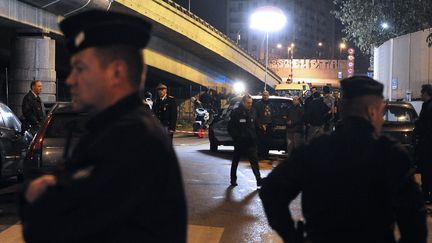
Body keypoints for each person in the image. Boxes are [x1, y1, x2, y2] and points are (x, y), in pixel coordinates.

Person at [18, 10, 187, 242]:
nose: (70, 79)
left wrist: (35, 195)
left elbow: (48, 230)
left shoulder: (130, 140)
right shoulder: (116, 127)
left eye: (81, 68)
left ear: (116, 72)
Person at [260, 76, 427, 243]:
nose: (382, 119)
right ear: (372, 112)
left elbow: (271, 190)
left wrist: (293, 237)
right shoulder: (391, 154)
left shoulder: (315, 150)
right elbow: (414, 222)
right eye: (382, 112)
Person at [228, 94, 262, 187]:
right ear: (243, 102)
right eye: (248, 103)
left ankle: (259, 180)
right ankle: (233, 179)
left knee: (254, 161)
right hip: (240, 142)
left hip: (251, 141)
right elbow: (230, 127)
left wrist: (257, 134)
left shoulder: (253, 111)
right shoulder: (236, 112)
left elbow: (256, 124)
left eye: (251, 103)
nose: (250, 104)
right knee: (236, 161)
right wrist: (236, 137)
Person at [415, 84, 432, 203]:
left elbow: (425, 126)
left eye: (422, 93)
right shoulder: (426, 106)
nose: (421, 95)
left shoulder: (429, 107)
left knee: (426, 169)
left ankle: (426, 194)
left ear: (427, 93)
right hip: (426, 144)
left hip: (428, 145)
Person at [255, 90, 272, 159]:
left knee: (268, 141)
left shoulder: (271, 104)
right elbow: (256, 116)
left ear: (268, 96)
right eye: (264, 95)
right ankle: (260, 155)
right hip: (261, 126)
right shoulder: (257, 104)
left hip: (269, 125)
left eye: (266, 95)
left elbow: (273, 114)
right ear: (262, 96)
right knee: (260, 141)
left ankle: (266, 155)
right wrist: (261, 124)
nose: (265, 96)